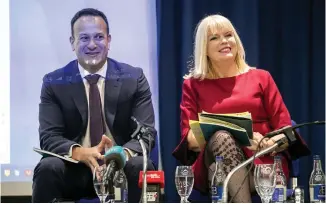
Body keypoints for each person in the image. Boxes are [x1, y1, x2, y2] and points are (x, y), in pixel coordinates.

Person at [172, 14, 310, 202]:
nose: (224, 41)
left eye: (228, 35)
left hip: (262, 162)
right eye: (214, 37)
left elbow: (286, 131)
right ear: (204, 48)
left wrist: (268, 143)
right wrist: (236, 134)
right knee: (221, 139)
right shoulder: (193, 85)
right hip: (216, 159)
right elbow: (189, 140)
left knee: (222, 176)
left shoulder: (261, 78)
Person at [32, 8, 156, 203]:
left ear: (109, 40)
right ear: (72, 43)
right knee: (48, 167)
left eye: (99, 37)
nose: (92, 44)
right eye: (84, 38)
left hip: (120, 166)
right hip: (76, 166)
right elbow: (49, 137)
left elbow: (147, 133)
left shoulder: (134, 78)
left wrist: (118, 155)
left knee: (142, 164)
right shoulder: (54, 82)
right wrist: (80, 152)